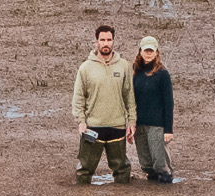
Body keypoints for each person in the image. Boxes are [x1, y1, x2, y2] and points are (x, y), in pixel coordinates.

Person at [72, 23, 135, 184]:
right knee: (85, 169)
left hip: (117, 126)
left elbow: (129, 96)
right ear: (96, 41)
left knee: (121, 169)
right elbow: (78, 98)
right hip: (93, 127)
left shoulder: (123, 66)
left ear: (113, 41)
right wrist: (81, 122)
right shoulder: (85, 68)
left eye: (109, 40)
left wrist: (131, 122)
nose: (106, 43)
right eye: (102, 40)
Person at [132, 36, 175, 183]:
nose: (148, 54)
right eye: (146, 51)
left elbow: (168, 103)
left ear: (157, 52)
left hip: (157, 125)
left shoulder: (163, 74)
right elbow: (131, 100)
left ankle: (166, 185)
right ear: (140, 52)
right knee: (146, 163)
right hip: (140, 124)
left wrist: (168, 130)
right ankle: (152, 188)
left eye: (151, 51)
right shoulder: (135, 72)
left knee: (159, 162)